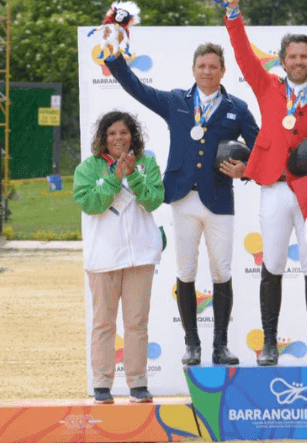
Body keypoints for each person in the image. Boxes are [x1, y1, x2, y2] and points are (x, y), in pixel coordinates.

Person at [104, 43, 259, 367]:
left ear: (223, 71)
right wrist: (115, 60)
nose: (207, 71)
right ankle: (192, 344)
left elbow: (259, 147)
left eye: (213, 66)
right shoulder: (176, 101)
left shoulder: (238, 107)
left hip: (219, 199)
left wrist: (247, 171)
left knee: (222, 271)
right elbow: (137, 89)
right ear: (193, 70)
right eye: (201, 66)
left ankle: (220, 346)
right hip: (182, 197)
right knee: (185, 270)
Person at [222, 2, 307, 367]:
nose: (298, 61)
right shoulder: (267, 86)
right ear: (282, 61)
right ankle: (268, 344)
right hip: (276, 188)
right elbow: (245, 56)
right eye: (292, 56)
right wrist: (233, 17)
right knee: (274, 263)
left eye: (304, 56)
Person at [73, 111, 165, 405]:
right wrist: (114, 178)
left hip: (140, 255)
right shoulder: (88, 168)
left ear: (132, 136)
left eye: (123, 132)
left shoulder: (146, 163)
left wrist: (134, 175)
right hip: (104, 257)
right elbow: (90, 203)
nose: (118, 138)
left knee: (137, 322)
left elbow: (153, 199)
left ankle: (138, 384)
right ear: (103, 138)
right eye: (111, 133)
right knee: (103, 323)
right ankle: (102, 384)